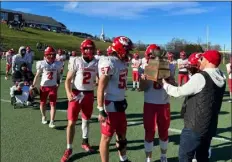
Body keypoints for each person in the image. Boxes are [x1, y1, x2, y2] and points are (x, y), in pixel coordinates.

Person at [162, 50, 226, 162]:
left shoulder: (202, 77)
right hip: (210, 126)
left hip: (194, 125)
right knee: (202, 157)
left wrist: (165, 84)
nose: (200, 61)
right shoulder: (221, 75)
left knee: (185, 157)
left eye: (202, 59)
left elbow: (179, 92)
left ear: (208, 60)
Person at [60, 39, 98, 162]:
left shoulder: (96, 62)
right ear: (83, 49)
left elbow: (98, 78)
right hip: (76, 93)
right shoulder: (77, 60)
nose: (89, 51)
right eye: (87, 48)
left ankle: (85, 142)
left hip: (89, 94)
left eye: (91, 48)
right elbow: (68, 79)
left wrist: (98, 82)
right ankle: (69, 148)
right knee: (71, 122)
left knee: (86, 120)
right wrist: (68, 93)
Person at [97, 36, 133, 162]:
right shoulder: (109, 62)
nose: (128, 53)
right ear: (120, 48)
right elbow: (101, 86)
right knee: (106, 138)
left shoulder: (121, 61)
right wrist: (101, 109)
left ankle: (123, 159)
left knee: (122, 136)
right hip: (110, 105)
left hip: (120, 104)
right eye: (127, 50)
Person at [139, 44, 176, 162]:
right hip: (149, 103)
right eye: (151, 55)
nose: (153, 58)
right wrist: (143, 79)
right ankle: (148, 158)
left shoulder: (169, 66)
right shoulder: (144, 67)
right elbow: (142, 88)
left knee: (164, 132)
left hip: (164, 104)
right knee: (149, 132)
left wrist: (169, 80)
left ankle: (163, 156)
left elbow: (173, 85)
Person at [31, 46, 62, 128]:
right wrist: (33, 85)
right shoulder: (42, 63)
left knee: (53, 104)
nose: (51, 56)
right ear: (46, 55)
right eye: (50, 54)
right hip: (44, 86)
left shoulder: (57, 64)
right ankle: (43, 116)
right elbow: (37, 75)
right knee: (42, 103)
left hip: (53, 86)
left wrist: (58, 82)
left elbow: (58, 74)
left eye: (53, 55)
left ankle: (52, 121)